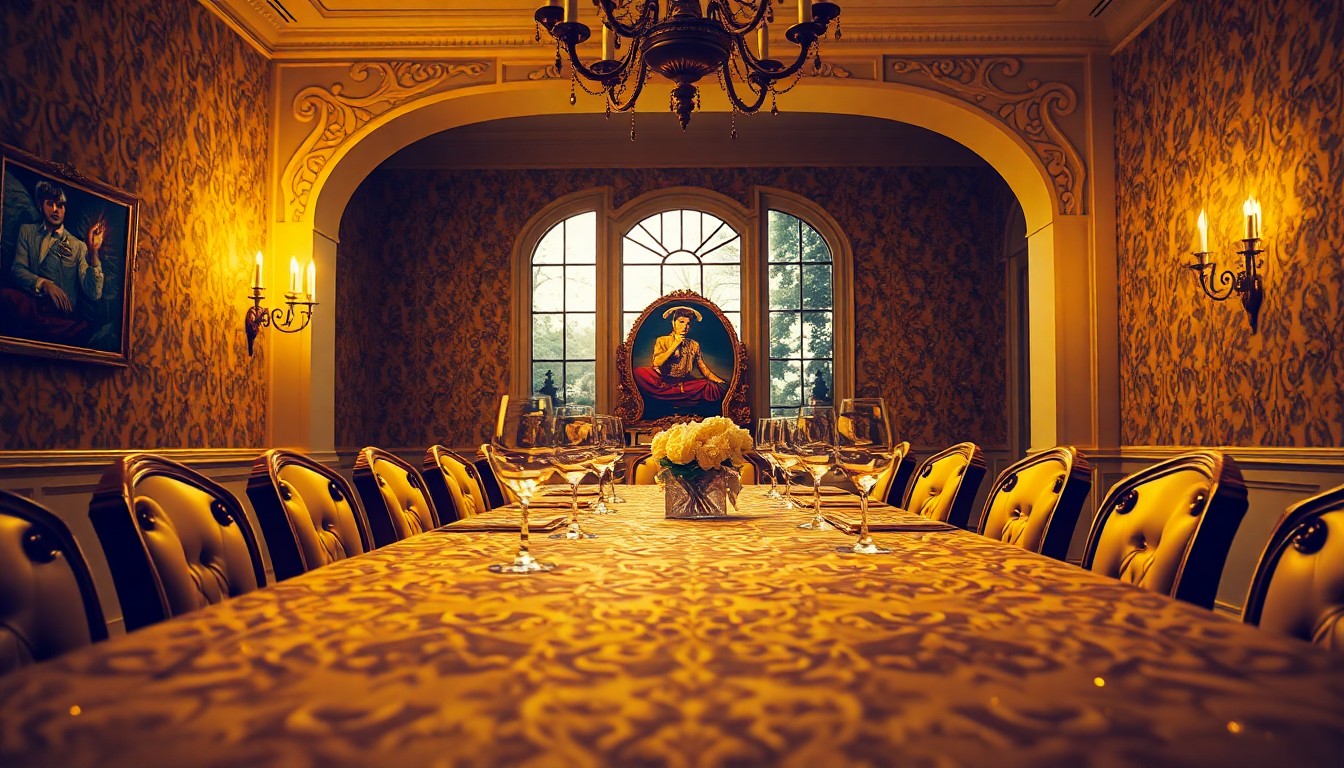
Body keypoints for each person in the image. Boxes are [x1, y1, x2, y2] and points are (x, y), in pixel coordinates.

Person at [1, 180, 105, 345]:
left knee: (79, 331)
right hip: (32, 304)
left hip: (60, 314)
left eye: (61, 205)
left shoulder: (78, 246)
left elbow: (94, 292)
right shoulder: (27, 231)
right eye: (50, 204)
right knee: (6, 298)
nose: (56, 210)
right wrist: (44, 284)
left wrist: (93, 252)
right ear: (40, 205)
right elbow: (17, 270)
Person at [633, 306, 729, 417]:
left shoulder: (694, 344)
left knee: (710, 387)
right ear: (673, 323)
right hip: (661, 382)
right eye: (681, 322)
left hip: (682, 383)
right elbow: (657, 363)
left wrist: (719, 381)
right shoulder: (662, 340)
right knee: (638, 373)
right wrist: (675, 345)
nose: (685, 326)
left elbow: (704, 370)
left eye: (688, 324)